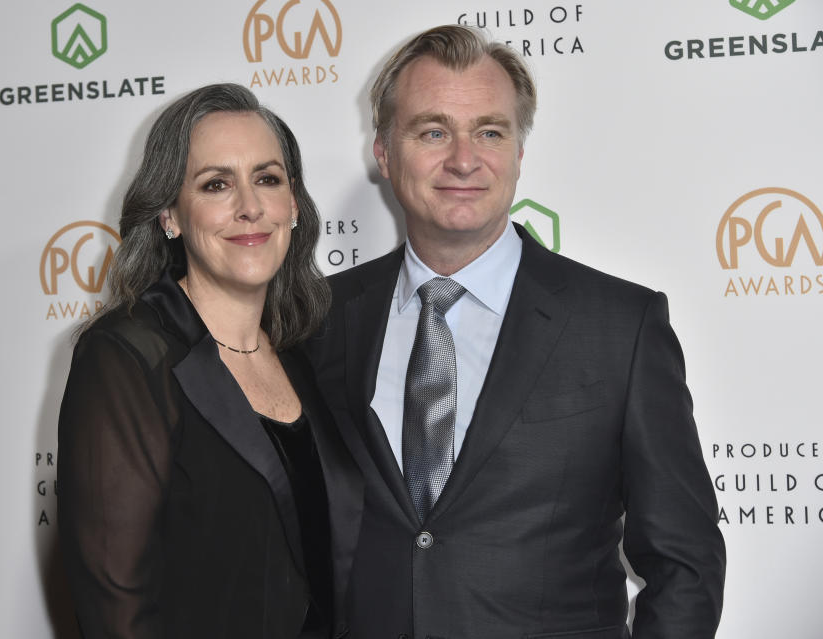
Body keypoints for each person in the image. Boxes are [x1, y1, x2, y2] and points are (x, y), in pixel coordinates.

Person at [306, 26, 725, 639]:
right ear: (385, 153)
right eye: (432, 131)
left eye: (490, 132)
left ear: (519, 155)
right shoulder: (318, 316)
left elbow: (686, 562)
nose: (464, 159)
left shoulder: (621, 327)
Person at [58, 83, 362, 639]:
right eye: (216, 184)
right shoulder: (127, 356)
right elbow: (115, 607)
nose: (249, 206)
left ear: (293, 204)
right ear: (170, 214)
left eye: (267, 179)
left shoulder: (304, 350)